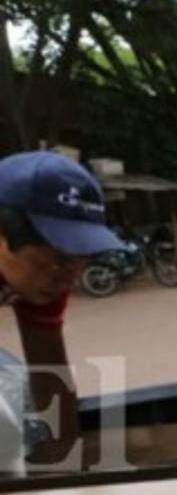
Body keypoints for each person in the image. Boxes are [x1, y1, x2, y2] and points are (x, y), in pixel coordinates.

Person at [0, 150, 124, 459]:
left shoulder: (47, 279)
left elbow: (50, 374)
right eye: (60, 259)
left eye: (81, 257)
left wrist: (67, 472)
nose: (69, 277)